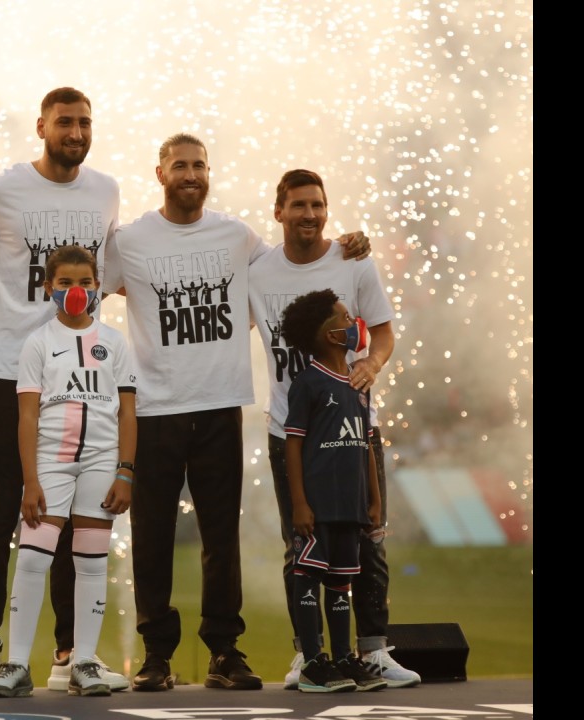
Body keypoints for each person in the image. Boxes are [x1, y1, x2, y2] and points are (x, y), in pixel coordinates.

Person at [103, 135, 368, 692]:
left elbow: (291, 267)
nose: (191, 174)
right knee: (151, 539)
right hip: (155, 409)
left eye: (199, 165)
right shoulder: (128, 240)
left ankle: (225, 650)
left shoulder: (237, 236)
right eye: (180, 166)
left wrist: (344, 244)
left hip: (221, 404)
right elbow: (78, 285)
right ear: (160, 174)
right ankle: (156, 655)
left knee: (221, 538)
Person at [0, 87, 128, 693]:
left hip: (77, 377)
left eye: (84, 121)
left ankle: (66, 655)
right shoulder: (1, 188)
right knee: (4, 505)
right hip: (6, 371)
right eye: (64, 122)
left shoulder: (106, 190)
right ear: (41, 127)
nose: (75, 131)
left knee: (73, 509)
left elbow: (117, 269)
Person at [247, 169, 420, 689]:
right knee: (299, 542)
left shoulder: (353, 260)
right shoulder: (256, 270)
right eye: (298, 205)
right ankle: (310, 654)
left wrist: (373, 365)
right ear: (278, 211)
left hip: (355, 429)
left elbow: (384, 331)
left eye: (318, 205)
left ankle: (372, 650)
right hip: (291, 431)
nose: (310, 214)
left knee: (368, 540)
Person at [0, 245, 136, 698]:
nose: (76, 291)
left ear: (98, 289)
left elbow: (128, 412)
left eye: (85, 283)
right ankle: (15, 664)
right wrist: (30, 480)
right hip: (51, 462)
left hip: (101, 462)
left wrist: (125, 471)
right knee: (32, 558)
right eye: (65, 283)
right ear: (48, 288)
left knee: (90, 562)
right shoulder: (38, 342)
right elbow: (26, 416)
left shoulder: (116, 342)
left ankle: (83, 663)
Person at [278, 288, 387, 693]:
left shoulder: (359, 382)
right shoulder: (307, 383)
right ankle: (312, 663)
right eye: (343, 318)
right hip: (319, 507)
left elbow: (365, 445)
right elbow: (293, 444)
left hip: (351, 505)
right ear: (327, 334)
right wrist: (300, 503)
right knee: (308, 575)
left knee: (342, 582)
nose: (353, 323)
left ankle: (343, 658)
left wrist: (374, 499)